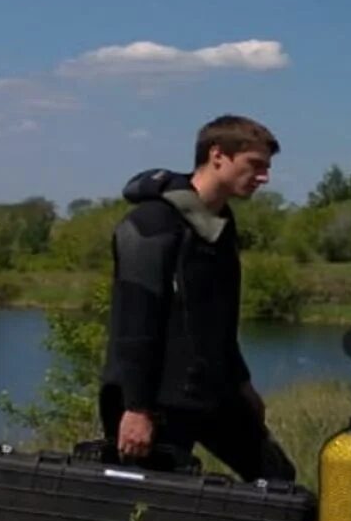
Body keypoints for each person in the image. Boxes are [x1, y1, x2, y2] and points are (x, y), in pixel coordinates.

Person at [98, 114, 295, 484]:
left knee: (276, 480)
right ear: (218, 155)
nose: (264, 177)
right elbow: (134, 321)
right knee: (150, 505)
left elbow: (217, 320)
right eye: (254, 165)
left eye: (267, 167)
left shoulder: (218, 224)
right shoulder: (152, 223)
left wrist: (242, 383)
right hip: (154, 400)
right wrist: (136, 408)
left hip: (211, 390)